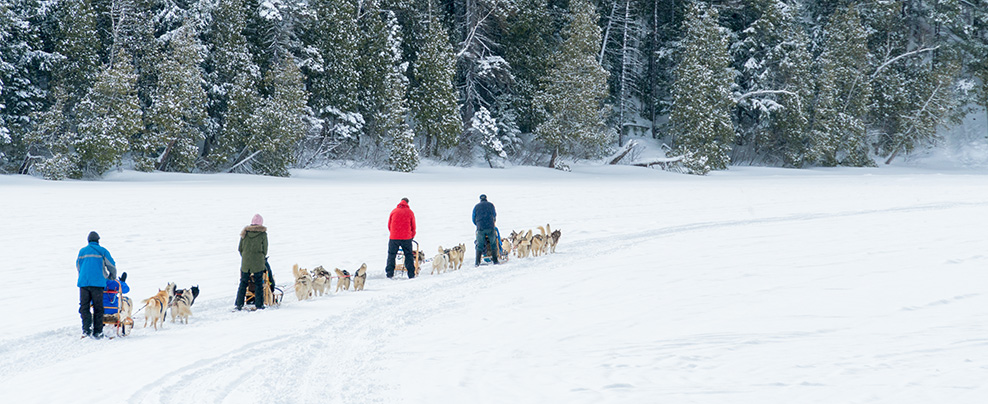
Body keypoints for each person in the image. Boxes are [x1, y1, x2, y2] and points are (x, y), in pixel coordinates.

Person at [76, 231, 116, 339]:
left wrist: (83, 276)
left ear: (88, 240)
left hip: (83, 283)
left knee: (84, 307)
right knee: (98, 308)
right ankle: (98, 331)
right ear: (98, 240)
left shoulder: (82, 251)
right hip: (97, 284)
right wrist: (111, 276)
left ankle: (86, 330)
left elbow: (78, 266)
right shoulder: (103, 251)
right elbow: (111, 265)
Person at [236, 214, 268, 310]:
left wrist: (246, 257)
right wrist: (261, 257)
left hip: (246, 263)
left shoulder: (244, 233)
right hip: (258, 262)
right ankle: (259, 304)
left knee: (243, 283)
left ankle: (239, 303)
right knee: (258, 283)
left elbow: (240, 248)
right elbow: (265, 250)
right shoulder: (263, 234)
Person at [385, 197, 417, 279]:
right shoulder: (410, 212)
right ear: (407, 203)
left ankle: (389, 273)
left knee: (391, 255)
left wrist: (393, 233)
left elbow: (389, 225)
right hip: (406, 238)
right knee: (408, 255)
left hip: (394, 237)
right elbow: (413, 226)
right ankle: (411, 274)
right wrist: (411, 236)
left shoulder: (394, 211)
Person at [472, 194, 499, 266]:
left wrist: (478, 224)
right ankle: (495, 261)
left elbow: (473, 218)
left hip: (480, 228)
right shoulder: (491, 205)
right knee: (493, 243)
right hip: (490, 227)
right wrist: (493, 222)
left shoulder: (476, 206)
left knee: (480, 245)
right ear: (486, 199)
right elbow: (494, 215)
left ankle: (477, 262)